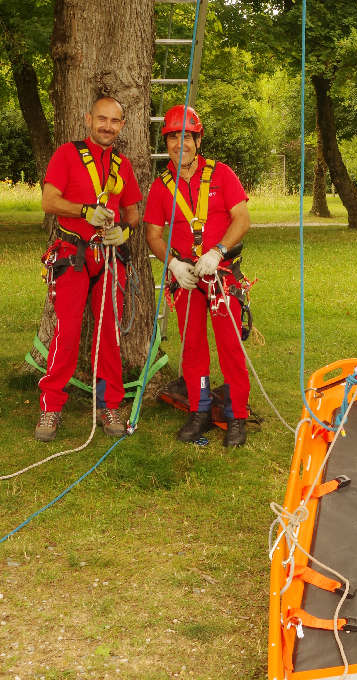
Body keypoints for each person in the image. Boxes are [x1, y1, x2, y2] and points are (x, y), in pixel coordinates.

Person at [35, 95, 142, 442]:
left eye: (114, 121)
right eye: (102, 119)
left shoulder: (122, 165)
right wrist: (84, 212)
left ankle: (109, 403)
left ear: (122, 126)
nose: (107, 126)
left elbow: (134, 214)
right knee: (66, 333)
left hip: (108, 258)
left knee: (108, 335)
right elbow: (49, 201)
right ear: (88, 119)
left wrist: (121, 232)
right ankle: (51, 406)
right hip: (74, 254)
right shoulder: (67, 154)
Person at [144, 104, 251, 447]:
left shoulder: (222, 175)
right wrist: (174, 264)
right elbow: (153, 236)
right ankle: (200, 409)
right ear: (167, 143)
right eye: (173, 137)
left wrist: (218, 251)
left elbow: (242, 219)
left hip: (221, 275)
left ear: (198, 140)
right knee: (192, 348)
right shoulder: (162, 187)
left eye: (187, 136)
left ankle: (237, 415)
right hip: (187, 277)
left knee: (230, 347)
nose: (180, 143)